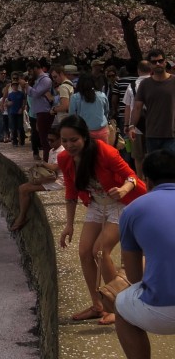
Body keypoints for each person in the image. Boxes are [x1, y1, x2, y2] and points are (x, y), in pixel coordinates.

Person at [58, 114, 146, 325]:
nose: (69, 145)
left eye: (74, 140)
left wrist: (124, 189)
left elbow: (132, 177)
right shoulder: (64, 159)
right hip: (97, 205)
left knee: (100, 250)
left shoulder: (104, 151)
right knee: (84, 252)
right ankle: (98, 305)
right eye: (64, 141)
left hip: (121, 204)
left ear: (85, 138)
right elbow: (71, 192)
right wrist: (69, 224)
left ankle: (118, 306)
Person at [114, 149, 175, 359]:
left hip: (161, 311)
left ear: (146, 180)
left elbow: (135, 277)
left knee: (121, 307)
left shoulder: (133, 209)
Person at [10, 129, 64, 231]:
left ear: (60, 139)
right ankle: (21, 215)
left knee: (23, 189)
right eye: (48, 140)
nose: (49, 142)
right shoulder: (52, 151)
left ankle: (22, 217)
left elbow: (54, 168)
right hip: (51, 179)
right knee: (26, 186)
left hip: (58, 182)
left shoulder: (62, 151)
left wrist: (42, 163)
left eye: (52, 140)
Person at [130, 48, 175, 156]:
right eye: (154, 62)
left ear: (165, 62)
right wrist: (131, 126)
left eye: (160, 61)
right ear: (150, 64)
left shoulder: (173, 81)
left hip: (172, 134)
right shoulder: (145, 84)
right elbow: (137, 108)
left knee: (171, 169)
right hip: (152, 134)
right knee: (154, 169)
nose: (158, 64)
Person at [68, 72, 110, 142]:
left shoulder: (75, 97)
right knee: (103, 152)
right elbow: (106, 112)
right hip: (102, 132)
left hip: (84, 133)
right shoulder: (102, 95)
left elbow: (72, 116)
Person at [28, 58, 54, 161]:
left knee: (45, 140)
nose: (29, 73)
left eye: (30, 70)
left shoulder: (45, 80)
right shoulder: (38, 80)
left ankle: (47, 161)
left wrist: (26, 86)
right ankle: (47, 160)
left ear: (35, 68)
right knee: (42, 138)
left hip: (45, 111)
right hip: (38, 112)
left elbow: (35, 93)